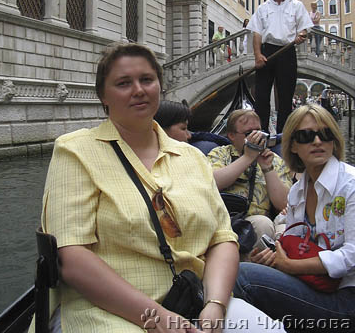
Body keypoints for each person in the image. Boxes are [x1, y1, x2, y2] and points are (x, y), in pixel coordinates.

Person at [34, 42, 283, 333]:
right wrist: (158, 317)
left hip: (193, 297)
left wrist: (215, 305)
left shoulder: (191, 157)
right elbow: (71, 256)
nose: (138, 90)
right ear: (103, 96)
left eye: (147, 80)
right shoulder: (75, 151)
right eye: (124, 83)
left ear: (159, 88)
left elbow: (222, 239)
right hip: (106, 309)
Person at [234, 104, 355, 332]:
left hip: (347, 297)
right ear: (294, 146)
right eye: (307, 136)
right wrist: (274, 257)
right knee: (240, 268)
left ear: (334, 141)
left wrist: (290, 266)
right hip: (316, 287)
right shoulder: (299, 190)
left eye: (325, 134)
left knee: (243, 276)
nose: (318, 141)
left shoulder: (350, 184)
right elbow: (292, 239)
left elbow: (352, 255)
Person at [207, 109, 293, 253]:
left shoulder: (275, 161)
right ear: (232, 136)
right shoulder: (220, 154)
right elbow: (212, 183)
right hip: (224, 219)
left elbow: (284, 204)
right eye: (249, 134)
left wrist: (267, 168)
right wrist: (248, 157)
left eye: (258, 131)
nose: (256, 137)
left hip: (259, 223)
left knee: (264, 224)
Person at [247, 0, 313, 133]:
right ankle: (262, 133)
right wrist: (257, 55)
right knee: (262, 97)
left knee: (285, 96)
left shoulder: (296, 5)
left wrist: (301, 36)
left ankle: (283, 134)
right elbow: (257, 33)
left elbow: (304, 28)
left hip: (287, 51)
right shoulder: (263, 8)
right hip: (267, 51)